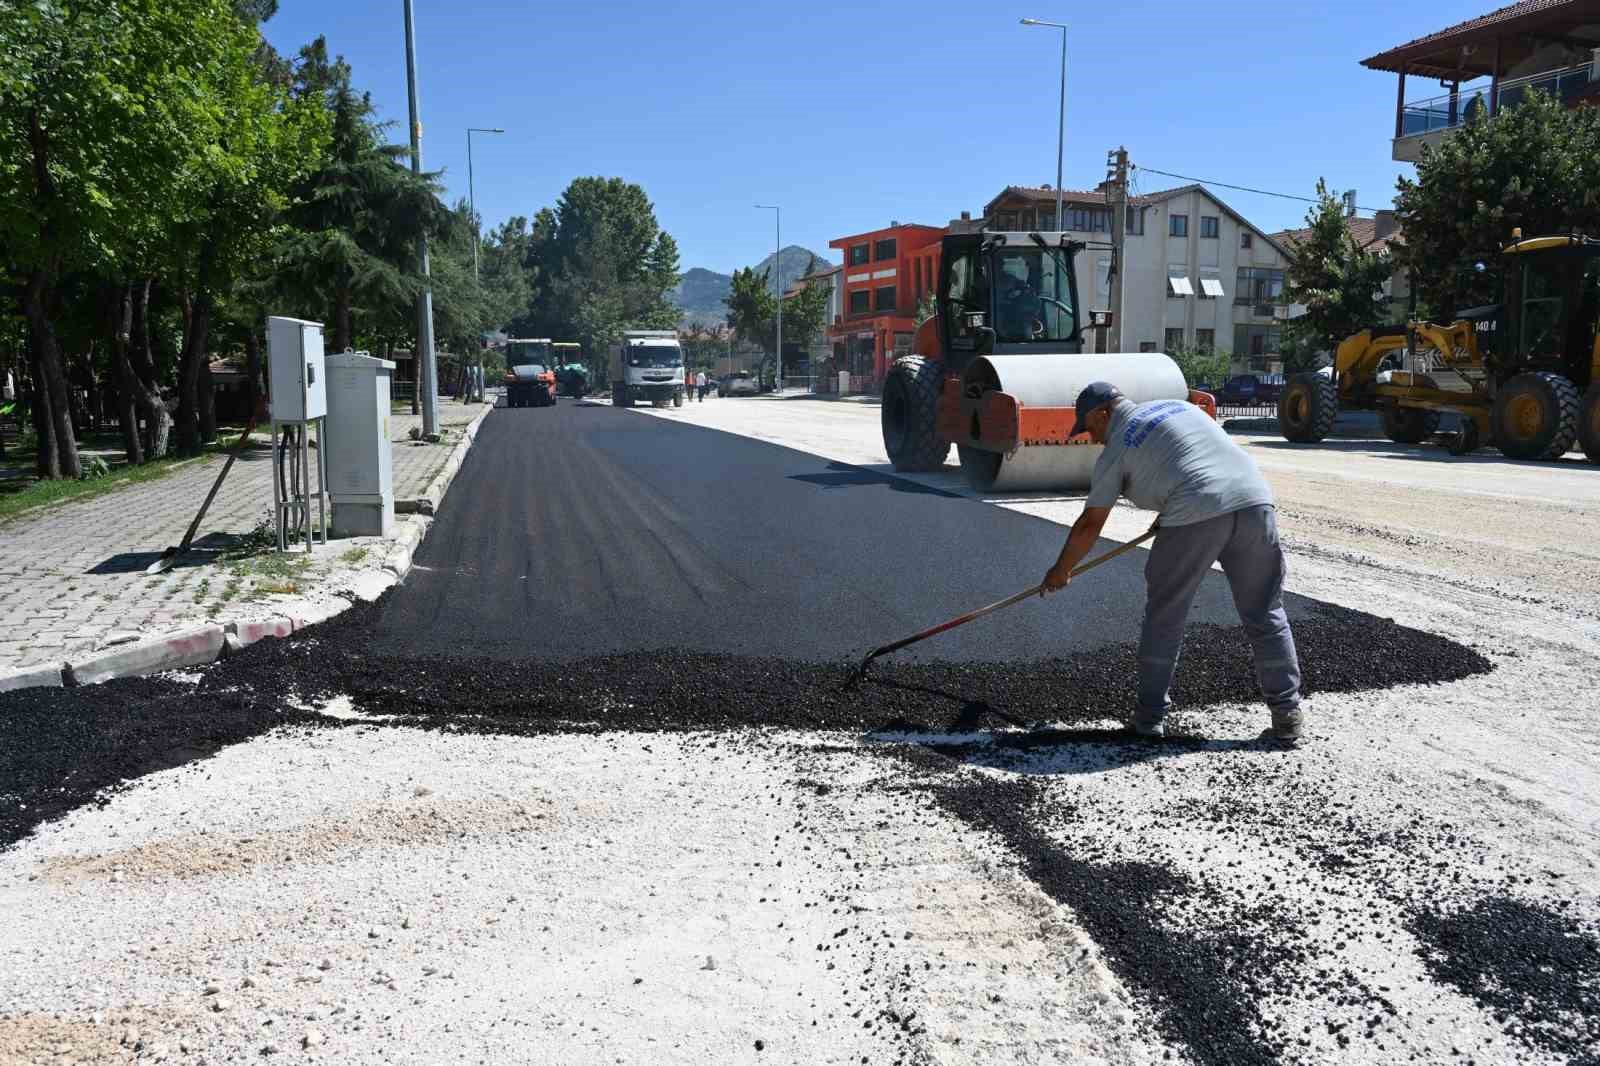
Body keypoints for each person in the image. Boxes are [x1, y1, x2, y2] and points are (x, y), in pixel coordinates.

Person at [1040, 382, 1305, 744]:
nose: (1093, 438)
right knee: (1265, 611)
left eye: (1090, 428)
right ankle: (1287, 715)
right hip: (1255, 502)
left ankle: (1149, 719)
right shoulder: (1177, 407)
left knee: (1165, 615)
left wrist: (1061, 570)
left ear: (1104, 413)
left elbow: (1090, 523)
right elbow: (1194, 460)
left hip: (1194, 512)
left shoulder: (1117, 447)